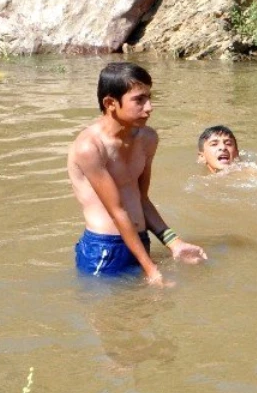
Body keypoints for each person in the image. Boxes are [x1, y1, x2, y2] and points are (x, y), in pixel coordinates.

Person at [68, 62, 206, 285]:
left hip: (140, 242)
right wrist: (151, 269)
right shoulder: (90, 148)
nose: (149, 107)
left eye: (149, 98)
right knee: (109, 317)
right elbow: (117, 211)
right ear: (111, 103)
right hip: (104, 251)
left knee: (143, 316)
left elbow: (141, 200)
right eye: (139, 100)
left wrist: (174, 243)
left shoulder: (147, 139)